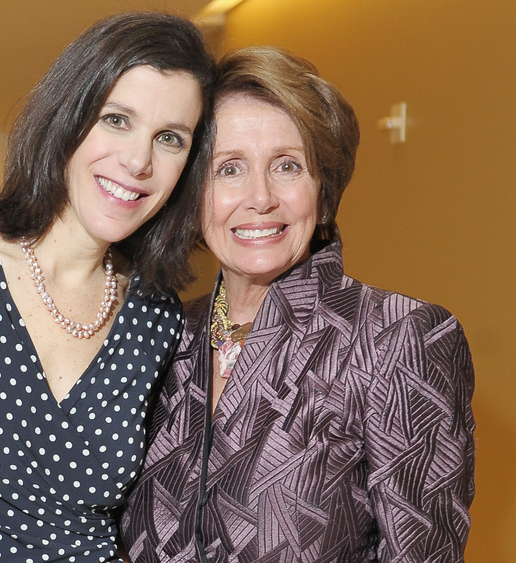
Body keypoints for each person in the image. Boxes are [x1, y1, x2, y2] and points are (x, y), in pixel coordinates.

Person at [0, 12, 214, 562]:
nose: (139, 161)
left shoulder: (156, 315)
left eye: (170, 138)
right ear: (68, 117)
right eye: (117, 120)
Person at [120, 46, 476, 562]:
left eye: (287, 166)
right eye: (228, 169)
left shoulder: (397, 336)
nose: (260, 197)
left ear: (323, 192)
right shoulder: (162, 334)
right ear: (191, 195)